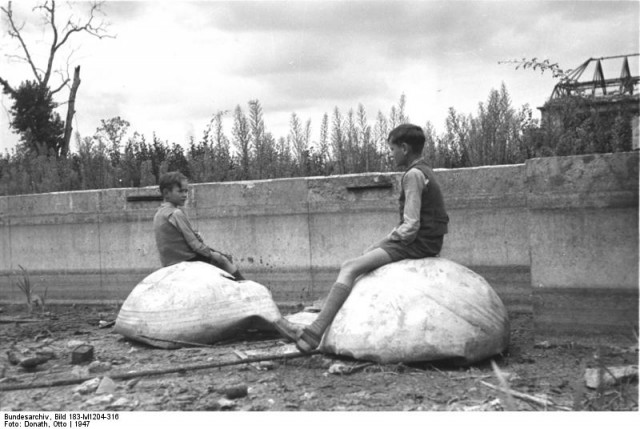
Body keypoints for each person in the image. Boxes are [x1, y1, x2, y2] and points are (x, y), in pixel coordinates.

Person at [286, 123, 450, 352]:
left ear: (404, 148)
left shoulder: (412, 175)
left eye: (392, 149)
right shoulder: (425, 170)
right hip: (429, 240)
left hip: (418, 244)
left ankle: (315, 331)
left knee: (350, 266)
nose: (391, 155)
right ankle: (326, 313)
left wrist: (384, 241)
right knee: (363, 258)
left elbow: (411, 226)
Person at [153, 171, 245, 281]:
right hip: (186, 258)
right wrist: (211, 254)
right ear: (167, 193)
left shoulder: (159, 213)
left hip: (168, 261)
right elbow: (194, 244)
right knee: (223, 259)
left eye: (186, 191)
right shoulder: (176, 213)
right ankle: (242, 283)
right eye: (180, 191)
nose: (184, 195)